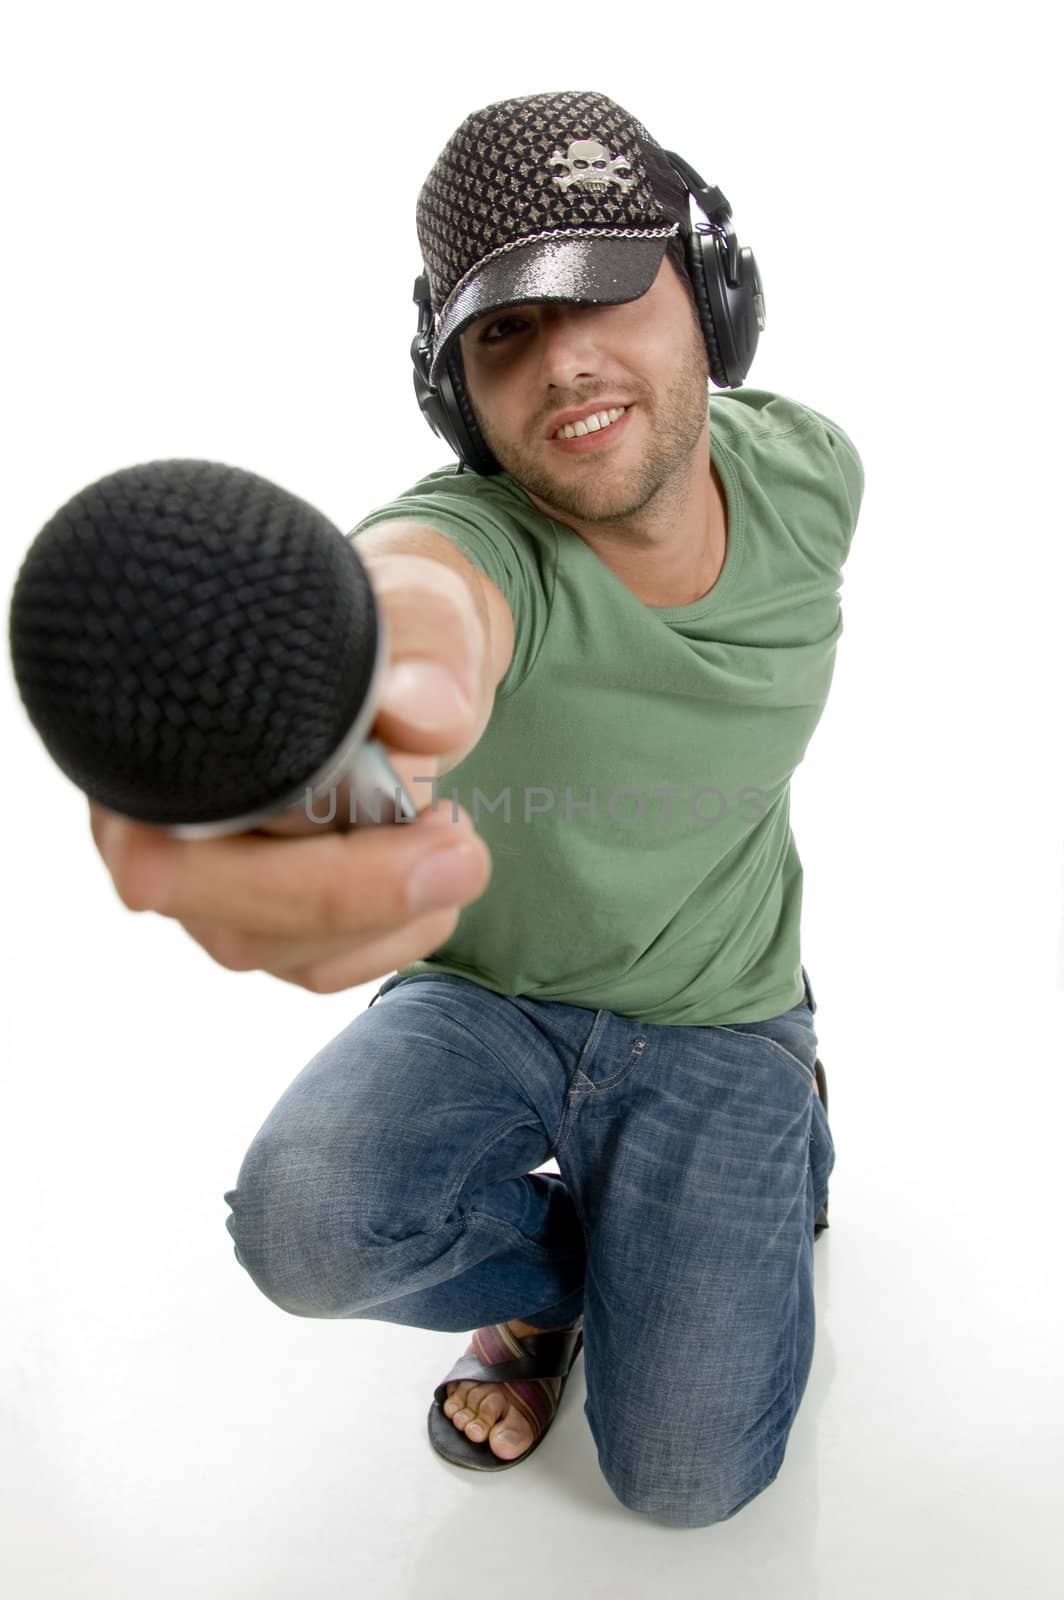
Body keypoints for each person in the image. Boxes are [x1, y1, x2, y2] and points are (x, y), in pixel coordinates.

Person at [90, 89, 863, 1527]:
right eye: (503, 328)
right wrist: (338, 749)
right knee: (306, 1226)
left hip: (719, 1009)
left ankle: (785, 1123)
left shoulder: (813, 476)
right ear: (454, 388)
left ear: (711, 294)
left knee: (687, 1485)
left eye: (610, 288)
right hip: (487, 996)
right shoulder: (469, 539)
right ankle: (567, 1270)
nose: (566, 358)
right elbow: (414, 609)